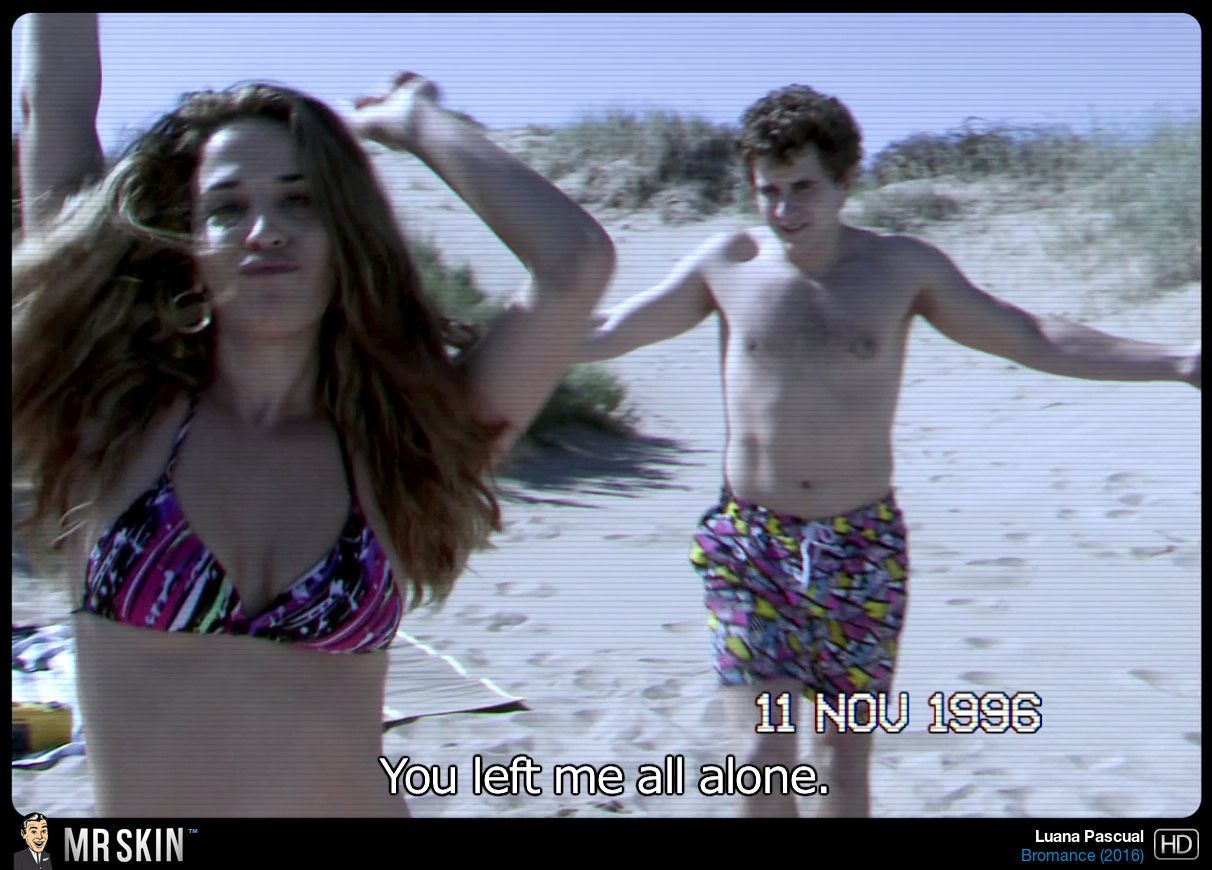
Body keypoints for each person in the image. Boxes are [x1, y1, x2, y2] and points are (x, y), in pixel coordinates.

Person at [12, 14, 614, 817]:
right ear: (190, 243)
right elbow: (54, 103)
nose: (265, 230)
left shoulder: (404, 440)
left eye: (300, 201)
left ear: (345, 232)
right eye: (228, 206)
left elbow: (576, 263)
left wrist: (418, 123)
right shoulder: (115, 412)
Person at [580, 84, 1200, 818]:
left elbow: (1030, 335)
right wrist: (486, 343)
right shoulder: (729, 265)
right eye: (768, 191)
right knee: (761, 758)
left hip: (860, 546)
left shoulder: (901, 270)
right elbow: (608, 330)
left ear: (846, 181)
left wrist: (1178, 360)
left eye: (803, 188)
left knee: (841, 764)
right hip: (751, 544)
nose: (784, 211)